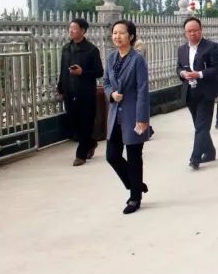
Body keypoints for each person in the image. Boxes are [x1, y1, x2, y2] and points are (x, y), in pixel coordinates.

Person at [103, 20, 150, 215]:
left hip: (132, 114)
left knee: (134, 156)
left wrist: (142, 118)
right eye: (114, 33)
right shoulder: (110, 58)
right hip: (115, 114)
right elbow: (106, 82)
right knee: (112, 156)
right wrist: (111, 94)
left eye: (121, 33)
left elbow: (142, 90)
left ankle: (134, 198)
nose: (117, 36)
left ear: (130, 36)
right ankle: (136, 184)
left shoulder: (137, 59)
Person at [56, 18, 104, 167]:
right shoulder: (66, 49)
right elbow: (63, 70)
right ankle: (91, 143)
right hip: (69, 92)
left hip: (86, 93)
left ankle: (81, 155)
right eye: (70, 28)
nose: (71, 31)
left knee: (86, 123)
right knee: (73, 122)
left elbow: (99, 72)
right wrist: (61, 87)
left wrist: (83, 72)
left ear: (83, 31)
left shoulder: (91, 50)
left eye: (74, 28)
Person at [176, 17, 218, 170]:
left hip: (206, 92)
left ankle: (195, 158)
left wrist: (199, 74)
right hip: (190, 92)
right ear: (185, 33)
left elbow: (217, 68)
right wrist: (183, 73)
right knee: (199, 125)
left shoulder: (211, 47)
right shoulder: (182, 49)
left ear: (201, 30)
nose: (192, 33)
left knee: (201, 126)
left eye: (195, 30)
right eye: (189, 31)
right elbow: (178, 67)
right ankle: (210, 152)